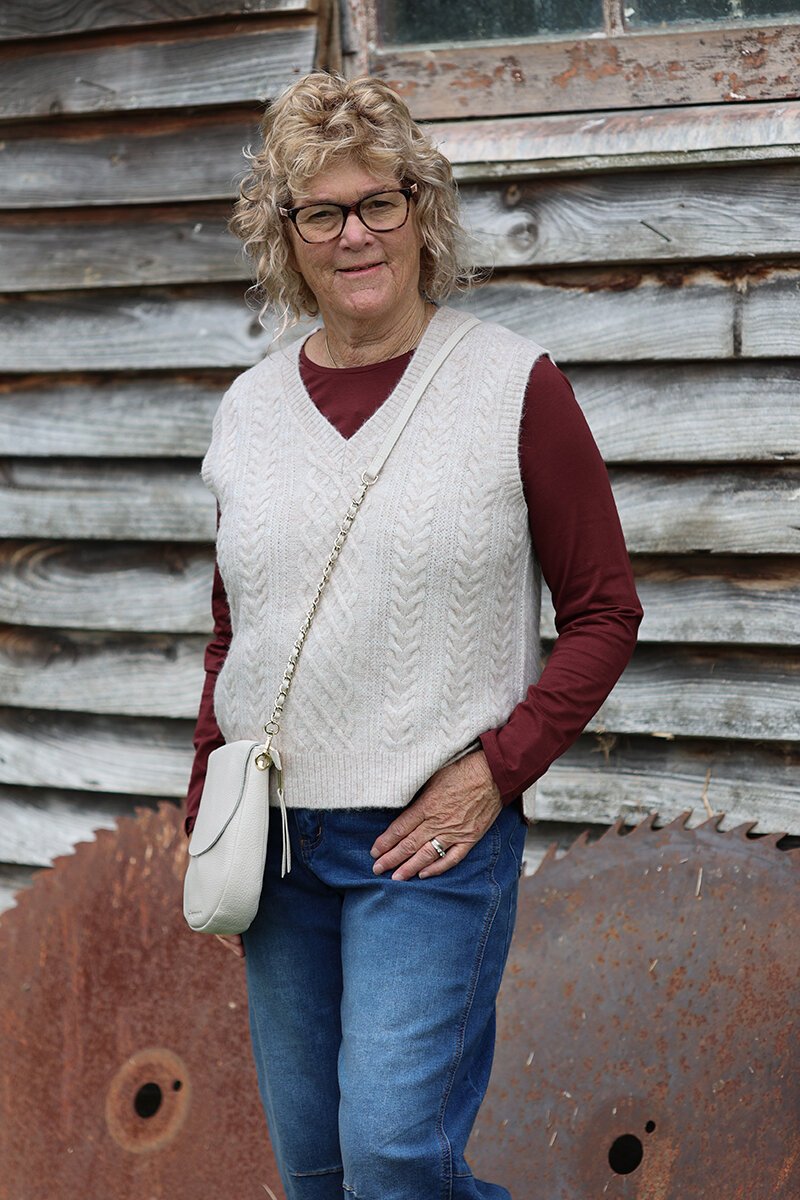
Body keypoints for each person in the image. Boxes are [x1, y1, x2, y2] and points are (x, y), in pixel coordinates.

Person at [185, 71, 643, 1200]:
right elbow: (237, 628)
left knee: (396, 1156)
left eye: (378, 203)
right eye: (322, 212)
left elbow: (604, 610)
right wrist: (208, 805)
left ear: (419, 211)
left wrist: (496, 771)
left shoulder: (513, 387)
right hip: (276, 852)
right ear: (286, 235)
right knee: (319, 1170)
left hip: (428, 846)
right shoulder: (247, 411)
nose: (355, 235)